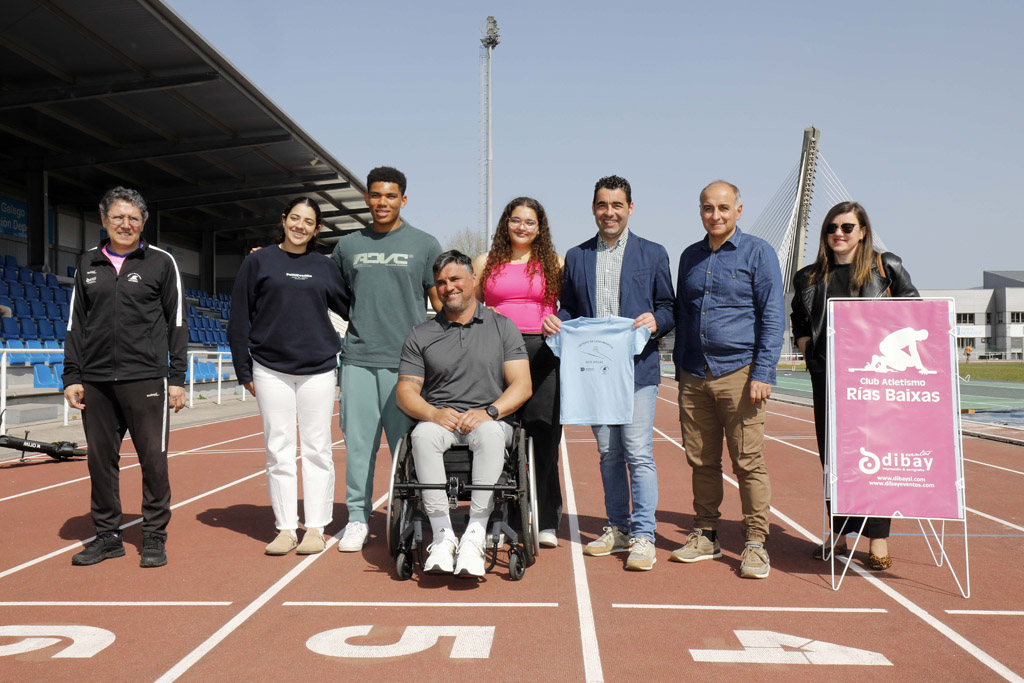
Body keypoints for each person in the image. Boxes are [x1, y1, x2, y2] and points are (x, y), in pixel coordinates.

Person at [541, 175, 674, 572]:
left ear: (630, 208)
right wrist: (556, 321)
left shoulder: (652, 253)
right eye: (602, 205)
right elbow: (570, 310)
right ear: (593, 209)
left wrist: (656, 320)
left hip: (636, 371)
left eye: (617, 205)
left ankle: (644, 534)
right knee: (608, 454)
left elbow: (669, 306)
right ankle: (616, 527)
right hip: (595, 373)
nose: (609, 212)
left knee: (637, 452)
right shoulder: (577, 256)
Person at [63, 186, 187, 568]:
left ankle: (153, 536)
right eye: (117, 217)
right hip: (96, 380)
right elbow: (75, 324)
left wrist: (178, 377)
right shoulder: (86, 264)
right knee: (101, 463)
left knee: (153, 459)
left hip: (146, 378)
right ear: (104, 221)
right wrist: (72, 375)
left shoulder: (162, 262)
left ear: (143, 223)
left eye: (133, 217)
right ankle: (107, 537)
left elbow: (177, 322)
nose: (125, 224)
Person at [791, 200, 919, 570]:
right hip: (828, 379)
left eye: (847, 227)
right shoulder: (808, 277)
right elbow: (799, 319)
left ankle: (878, 538)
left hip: (875, 381)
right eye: (832, 227)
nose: (838, 234)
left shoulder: (886, 267)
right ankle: (839, 534)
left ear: (863, 231)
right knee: (834, 458)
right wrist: (806, 346)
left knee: (877, 458)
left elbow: (915, 311)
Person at [672, 180, 784, 579]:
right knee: (701, 460)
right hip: (694, 374)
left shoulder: (758, 252)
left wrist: (763, 372)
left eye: (723, 208)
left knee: (748, 461)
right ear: (700, 211)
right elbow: (685, 314)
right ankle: (706, 534)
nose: (714, 215)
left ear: (738, 210)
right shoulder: (689, 257)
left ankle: (755, 542)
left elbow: (772, 316)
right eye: (707, 208)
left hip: (739, 373)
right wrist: (680, 369)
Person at [396, 251, 532, 576]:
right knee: (422, 434)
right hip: (442, 421)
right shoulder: (421, 334)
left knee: (488, 432)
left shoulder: (502, 326)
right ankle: (442, 535)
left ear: (473, 280)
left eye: (455, 279)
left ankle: (474, 535)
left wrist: (490, 411)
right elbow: (405, 391)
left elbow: (522, 385)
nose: (448, 287)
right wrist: (433, 413)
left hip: (489, 421)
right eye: (441, 282)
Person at [227, 197, 350, 556]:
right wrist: (242, 368)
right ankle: (284, 529)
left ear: (317, 229)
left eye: (308, 221)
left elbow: (351, 307)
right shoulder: (258, 261)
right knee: (278, 450)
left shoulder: (325, 267)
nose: (300, 226)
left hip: (319, 370)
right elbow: (238, 317)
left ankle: (315, 527)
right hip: (270, 369)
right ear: (283, 220)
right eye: (294, 218)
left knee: (318, 450)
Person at [331, 166, 442, 552]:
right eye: (376, 195)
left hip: (408, 364)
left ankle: (411, 514)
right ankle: (358, 519)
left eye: (391, 196)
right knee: (359, 447)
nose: (383, 202)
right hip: (359, 358)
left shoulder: (425, 244)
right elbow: (329, 291)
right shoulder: (347, 247)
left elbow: (440, 302)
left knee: (408, 449)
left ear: (403, 200)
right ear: (367, 198)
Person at [472, 197, 564, 548]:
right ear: (505, 223)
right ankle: (500, 517)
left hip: (543, 355)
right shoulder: (485, 261)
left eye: (529, 222)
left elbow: (568, 307)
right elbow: (471, 304)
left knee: (543, 436)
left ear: (540, 227)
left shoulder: (555, 262)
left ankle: (545, 520)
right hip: (497, 355)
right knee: (500, 436)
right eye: (515, 220)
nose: (522, 227)